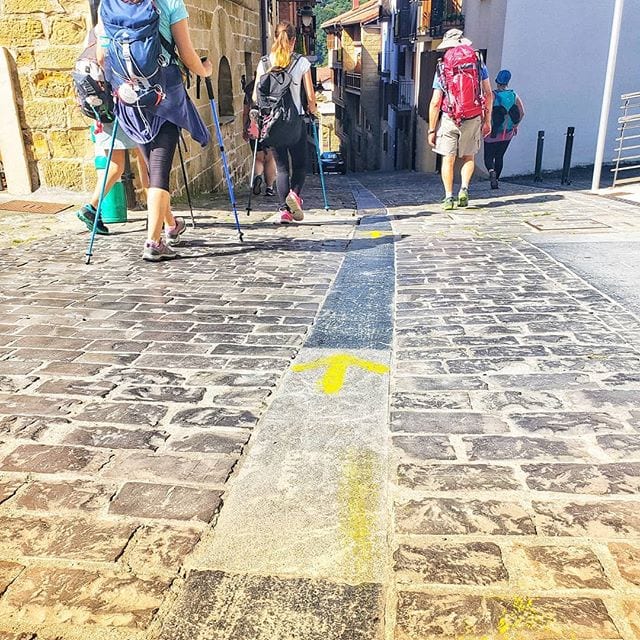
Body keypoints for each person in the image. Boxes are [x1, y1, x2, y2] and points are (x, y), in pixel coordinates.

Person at [97, 0, 212, 261]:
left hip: (129, 99)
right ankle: (153, 242)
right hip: (164, 96)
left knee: (151, 167)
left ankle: (171, 224)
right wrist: (205, 70)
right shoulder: (170, 3)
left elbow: (103, 56)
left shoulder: (108, 4)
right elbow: (186, 53)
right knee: (159, 171)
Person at [253, 21, 317, 224]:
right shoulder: (301, 63)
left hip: (274, 124)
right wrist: (313, 110)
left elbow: (256, 96)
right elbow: (311, 97)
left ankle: (284, 211)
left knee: (281, 168)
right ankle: (295, 196)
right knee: (300, 165)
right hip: (295, 122)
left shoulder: (264, 63)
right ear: (294, 41)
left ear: (274, 38)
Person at [428, 29, 493, 211]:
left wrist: (432, 129)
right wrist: (487, 120)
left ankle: (449, 197)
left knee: (447, 159)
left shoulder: (443, 66)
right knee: (468, 156)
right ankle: (464, 189)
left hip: (450, 116)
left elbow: (435, 102)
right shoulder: (478, 63)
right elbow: (488, 94)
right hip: (473, 115)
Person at [76, 122, 149, 235]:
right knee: (145, 157)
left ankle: (91, 207)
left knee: (115, 166)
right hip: (126, 116)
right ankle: (156, 210)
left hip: (103, 118)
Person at [484, 69, 525, 189]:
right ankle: (496, 179)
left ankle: (491, 171)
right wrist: (515, 125)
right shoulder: (513, 95)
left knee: (488, 156)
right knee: (500, 156)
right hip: (507, 132)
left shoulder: (492, 95)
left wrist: (485, 124)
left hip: (492, 131)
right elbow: (522, 112)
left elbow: (486, 111)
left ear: (497, 81)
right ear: (508, 82)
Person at [242, 79, 276, 197]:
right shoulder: (274, 85)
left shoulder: (250, 88)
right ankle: (269, 187)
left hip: (254, 126)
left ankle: (258, 176)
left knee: (258, 157)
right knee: (270, 158)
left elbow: (245, 112)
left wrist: (244, 129)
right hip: (270, 126)